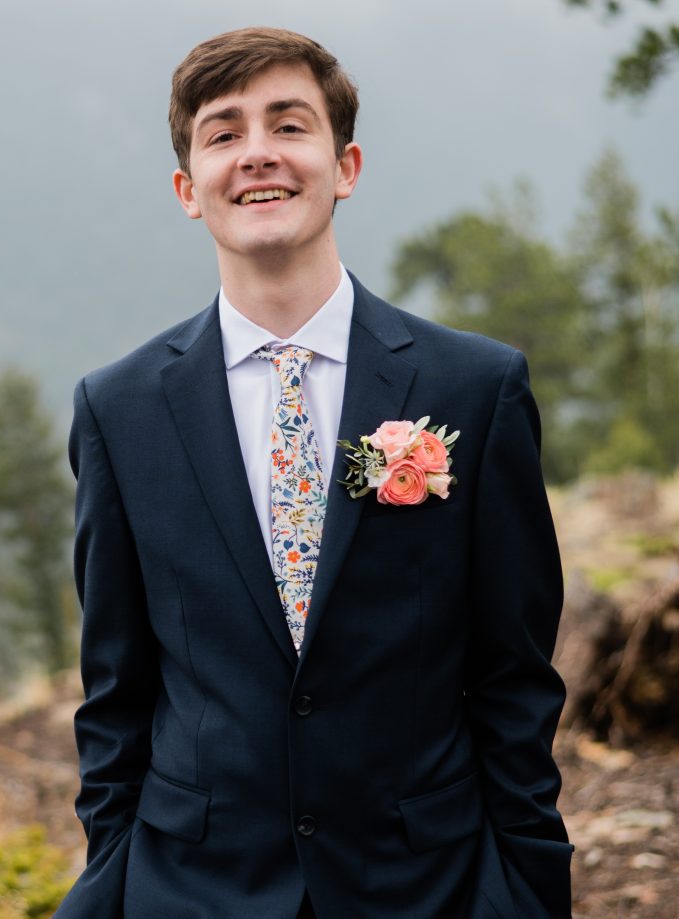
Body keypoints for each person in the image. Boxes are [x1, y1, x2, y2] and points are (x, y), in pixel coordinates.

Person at [55, 26, 572, 919]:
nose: (257, 154)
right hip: (191, 889)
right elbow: (115, 692)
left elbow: (515, 676)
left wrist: (528, 886)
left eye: (289, 125)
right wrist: (114, 876)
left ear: (346, 166)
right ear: (189, 189)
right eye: (223, 133)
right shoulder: (118, 410)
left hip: (430, 885)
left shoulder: (474, 389)